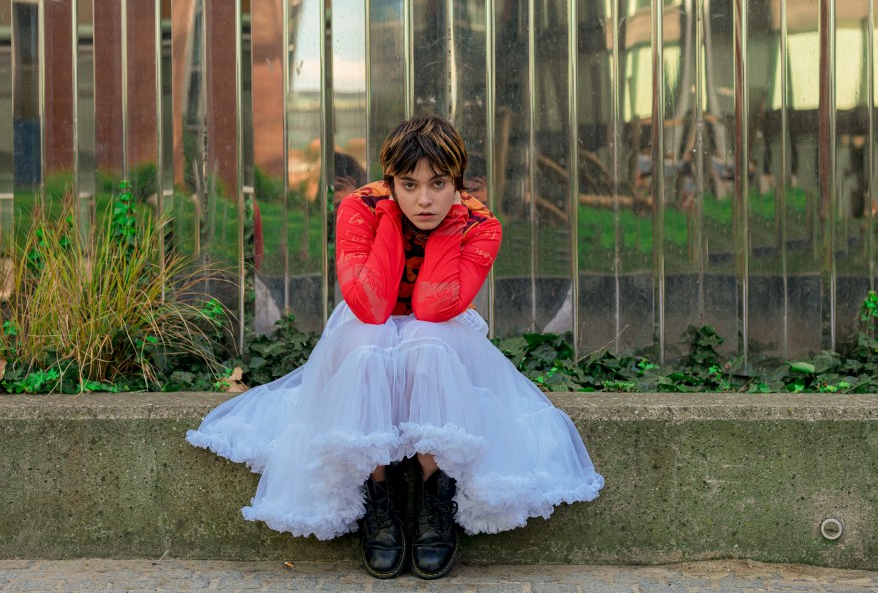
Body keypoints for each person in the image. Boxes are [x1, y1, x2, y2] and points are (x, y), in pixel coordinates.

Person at [187, 116, 603, 579]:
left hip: (442, 329)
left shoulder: (481, 225)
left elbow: (433, 307)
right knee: (370, 345)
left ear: (458, 182)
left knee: (427, 341)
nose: (424, 200)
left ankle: (435, 497)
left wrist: (449, 229)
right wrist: (388, 218)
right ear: (390, 183)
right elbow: (370, 307)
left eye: (438, 183)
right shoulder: (359, 208)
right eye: (409, 185)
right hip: (369, 322)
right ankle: (378, 497)